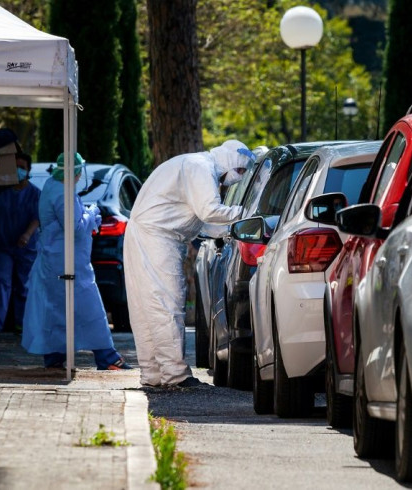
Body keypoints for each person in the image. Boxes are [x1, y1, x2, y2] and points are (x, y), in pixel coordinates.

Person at [124, 139, 255, 388]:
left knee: (148, 306)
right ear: (228, 160)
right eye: (239, 171)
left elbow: (204, 222)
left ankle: (154, 375)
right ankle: (175, 376)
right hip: (157, 237)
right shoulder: (200, 168)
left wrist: (231, 227)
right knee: (167, 303)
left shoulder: (195, 165)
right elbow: (209, 211)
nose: (238, 178)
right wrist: (244, 214)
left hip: (147, 233)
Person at [22, 152, 131, 370]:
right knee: (89, 307)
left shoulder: (53, 187)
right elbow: (74, 227)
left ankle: (54, 356)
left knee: (56, 309)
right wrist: (91, 213)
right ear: (76, 172)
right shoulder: (63, 193)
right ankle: (107, 357)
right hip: (68, 262)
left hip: (56, 261)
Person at [0, 152, 40, 335]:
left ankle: (22, 323)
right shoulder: (1, 192)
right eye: (15, 167)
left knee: (23, 284)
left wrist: (26, 235)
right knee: (0, 281)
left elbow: (37, 217)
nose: (18, 171)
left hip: (25, 247)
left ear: (28, 171)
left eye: (22, 168)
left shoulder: (34, 194)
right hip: (1, 245)